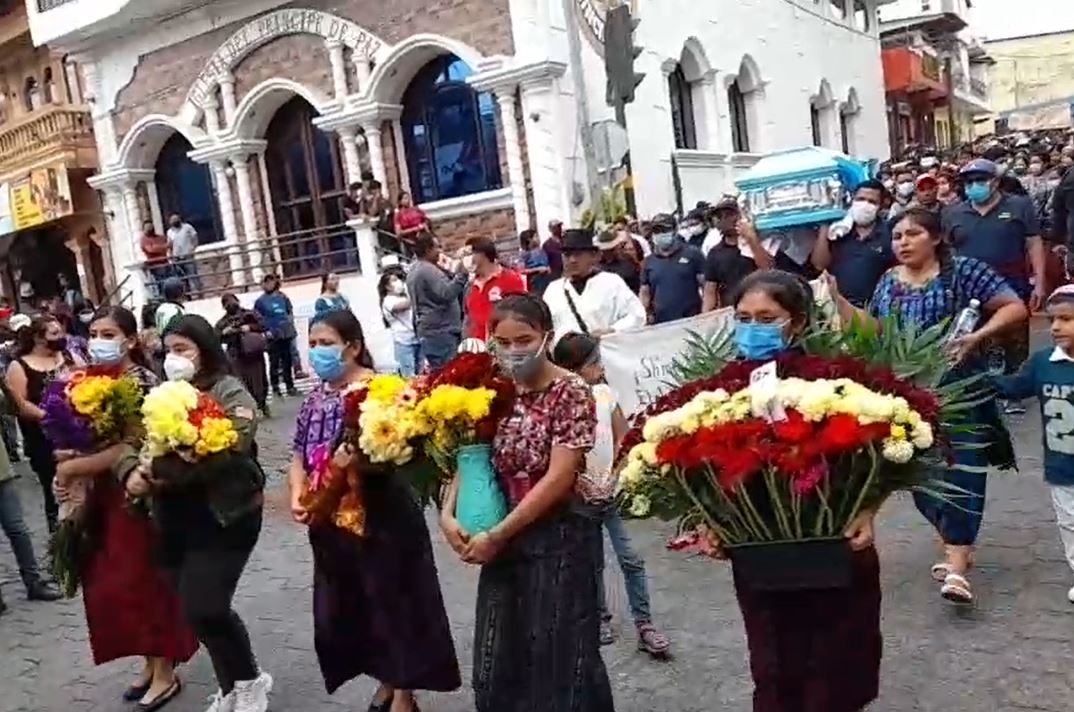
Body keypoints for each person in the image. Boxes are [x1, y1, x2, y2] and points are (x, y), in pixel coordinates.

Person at [831, 208, 1028, 605]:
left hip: (961, 391)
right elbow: (879, 331)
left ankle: (956, 565)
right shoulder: (888, 280)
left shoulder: (965, 271)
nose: (902, 242)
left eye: (913, 234)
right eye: (897, 236)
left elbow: (1014, 307)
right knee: (918, 477)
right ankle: (956, 543)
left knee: (964, 472)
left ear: (935, 238)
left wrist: (977, 336)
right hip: (909, 394)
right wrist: (837, 301)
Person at [712, 268, 883, 712]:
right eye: (743, 317)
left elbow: (882, 457)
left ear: (799, 322)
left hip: (835, 544)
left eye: (766, 318)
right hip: (760, 554)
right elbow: (708, 469)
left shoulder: (836, 381)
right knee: (773, 668)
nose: (752, 329)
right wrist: (709, 521)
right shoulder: (721, 390)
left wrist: (868, 507)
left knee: (833, 669)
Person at [440, 293, 614, 712]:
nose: (514, 349)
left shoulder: (570, 390)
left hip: (560, 539)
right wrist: (447, 516)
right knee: (498, 658)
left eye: (524, 339)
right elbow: (470, 456)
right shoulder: (489, 388)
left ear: (546, 337)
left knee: (562, 661)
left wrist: (498, 534)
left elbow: (559, 476)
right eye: (503, 340)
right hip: (502, 541)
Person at [289, 310, 460, 711]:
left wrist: (353, 466)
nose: (318, 351)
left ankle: (404, 694)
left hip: (382, 516)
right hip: (329, 517)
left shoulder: (381, 393)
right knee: (356, 605)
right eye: (312, 344)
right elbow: (298, 451)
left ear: (353, 346)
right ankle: (386, 679)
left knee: (394, 602)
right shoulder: (315, 396)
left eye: (326, 343)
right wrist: (300, 493)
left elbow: (400, 453)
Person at [127, 314, 272, 712]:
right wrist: (132, 471)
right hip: (173, 521)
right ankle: (231, 687)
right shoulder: (161, 394)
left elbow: (230, 448)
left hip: (225, 516)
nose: (173, 358)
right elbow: (134, 442)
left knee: (206, 605)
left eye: (182, 349)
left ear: (204, 351)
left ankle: (250, 680)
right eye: (167, 350)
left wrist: (156, 472)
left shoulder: (229, 393)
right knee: (198, 611)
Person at [54, 306, 196, 709]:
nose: (99, 340)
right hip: (104, 496)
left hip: (137, 494)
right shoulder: (90, 382)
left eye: (108, 332)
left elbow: (132, 448)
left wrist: (75, 466)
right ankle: (150, 662)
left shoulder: (142, 382)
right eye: (94, 332)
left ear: (131, 339)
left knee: (145, 581)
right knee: (115, 584)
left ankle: (165, 669)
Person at [550, 332, 671, 657]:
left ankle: (644, 623)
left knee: (631, 557)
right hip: (579, 497)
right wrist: (580, 482)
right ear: (571, 369)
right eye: (593, 364)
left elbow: (623, 438)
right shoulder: (558, 403)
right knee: (592, 561)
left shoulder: (605, 394)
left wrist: (614, 475)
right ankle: (599, 616)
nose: (600, 369)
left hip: (611, 492)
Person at [944, 158, 1045, 415]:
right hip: (969, 286)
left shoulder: (1019, 206)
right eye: (968, 182)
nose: (974, 186)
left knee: (1014, 336)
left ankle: (1013, 391)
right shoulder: (953, 213)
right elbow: (947, 250)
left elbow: (1034, 244)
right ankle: (977, 389)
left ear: (995, 182)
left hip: (1011, 281)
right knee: (971, 335)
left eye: (980, 181)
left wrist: (1039, 282)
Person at [993, 284, 1074, 604]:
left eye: (1066, 319)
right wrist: (977, 378)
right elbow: (1015, 388)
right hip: (1062, 463)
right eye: (1053, 320)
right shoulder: (1043, 362)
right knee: (1070, 522)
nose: (1055, 327)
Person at [6, 314, 82, 530]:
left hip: (77, 434)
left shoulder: (68, 356)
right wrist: (52, 418)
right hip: (43, 440)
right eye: (54, 334)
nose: (61, 338)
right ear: (39, 338)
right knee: (55, 488)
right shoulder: (19, 366)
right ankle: (59, 534)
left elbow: (85, 378)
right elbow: (20, 404)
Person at [0, 394, 61, 614]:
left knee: (17, 529)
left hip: (2, 472)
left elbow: (12, 408)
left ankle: (33, 582)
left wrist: (4, 385)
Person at [543, 228, 645, 339]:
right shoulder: (553, 290)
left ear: (593, 256)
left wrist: (613, 330)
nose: (572, 260)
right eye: (567, 255)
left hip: (605, 352)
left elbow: (637, 315)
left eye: (578, 254)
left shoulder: (611, 283)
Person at [810, 179, 894, 308]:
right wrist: (824, 225)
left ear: (881, 206)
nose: (865, 204)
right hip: (839, 308)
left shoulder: (889, 233)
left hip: (876, 308)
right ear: (853, 200)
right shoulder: (838, 231)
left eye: (872, 201)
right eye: (860, 199)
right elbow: (819, 265)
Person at [406, 234, 468, 369]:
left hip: (432, 331)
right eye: (437, 247)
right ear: (428, 250)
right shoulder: (427, 270)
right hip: (441, 331)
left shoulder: (415, 269)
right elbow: (446, 293)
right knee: (450, 371)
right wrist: (462, 275)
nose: (440, 251)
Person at [640, 215, 706, 324]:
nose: (660, 233)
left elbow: (706, 286)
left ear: (675, 230)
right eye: (657, 230)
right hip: (662, 324)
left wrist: (706, 314)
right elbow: (645, 293)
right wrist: (646, 315)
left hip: (692, 320)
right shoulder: (648, 262)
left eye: (664, 230)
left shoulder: (693, 254)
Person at [216, 293, 270, 416]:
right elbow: (216, 337)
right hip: (236, 354)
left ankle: (262, 405)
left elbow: (263, 325)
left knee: (259, 381)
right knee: (243, 383)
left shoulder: (249, 314)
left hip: (253, 353)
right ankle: (252, 408)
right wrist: (225, 333)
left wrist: (249, 327)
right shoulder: (223, 322)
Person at [463, 237, 526, 340]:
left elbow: (520, 312)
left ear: (482, 254)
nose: (466, 259)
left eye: (469, 253)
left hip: (503, 343)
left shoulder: (509, 279)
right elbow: (468, 319)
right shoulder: (470, 286)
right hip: (479, 347)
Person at [254, 274, 298, 398]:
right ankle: (275, 386)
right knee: (274, 361)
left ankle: (290, 385)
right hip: (272, 335)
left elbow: (289, 311)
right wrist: (265, 331)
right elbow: (257, 318)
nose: (269, 284)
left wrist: (288, 324)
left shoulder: (282, 297)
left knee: (287, 360)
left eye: (271, 281)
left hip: (285, 333)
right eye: (266, 282)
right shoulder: (260, 301)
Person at [378, 269, 421, 377]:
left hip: (416, 338)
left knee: (421, 372)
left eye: (398, 279)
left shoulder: (404, 296)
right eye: (394, 280)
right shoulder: (388, 301)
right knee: (409, 375)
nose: (398, 282)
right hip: (403, 342)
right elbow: (405, 305)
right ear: (387, 286)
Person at [596, 229, 641, 294]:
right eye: (605, 250)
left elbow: (637, 285)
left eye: (611, 249)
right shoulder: (595, 264)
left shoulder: (628, 260)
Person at [166, 214, 202, 295]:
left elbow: (195, 237)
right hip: (177, 258)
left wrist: (193, 249)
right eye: (172, 220)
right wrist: (171, 256)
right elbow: (169, 245)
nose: (174, 221)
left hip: (187, 256)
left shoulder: (187, 227)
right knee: (182, 279)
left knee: (193, 276)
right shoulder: (170, 232)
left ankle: (200, 294)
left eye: (175, 219)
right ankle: (187, 295)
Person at [141, 220, 171, 294]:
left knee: (169, 282)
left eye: (150, 226)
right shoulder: (144, 240)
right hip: (155, 265)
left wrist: (158, 247)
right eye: (147, 227)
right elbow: (150, 249)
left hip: (166, 263)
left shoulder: (161, 237)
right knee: (160, 283)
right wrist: (163, 247)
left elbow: (169, 245)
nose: (149, 228)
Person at [518, 229, 552, 296]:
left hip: (546, 279)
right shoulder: (525, 253)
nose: (538, 238)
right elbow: (521, 270)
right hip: (535, 281)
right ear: (529, 240)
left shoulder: (541, 250)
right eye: (536, 236)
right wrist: (537, 269)